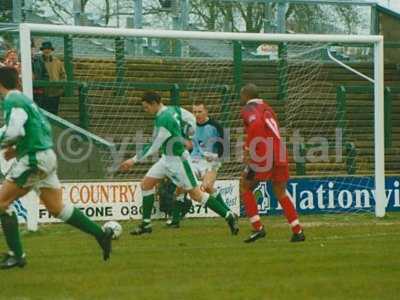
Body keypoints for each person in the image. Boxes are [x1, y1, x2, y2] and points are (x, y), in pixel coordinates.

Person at [0, 67, 113, 270]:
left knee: (1, 203)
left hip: (34, 159)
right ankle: (101, 234)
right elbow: (40, 130)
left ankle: (17, 255)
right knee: (56, 207)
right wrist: (16, 150)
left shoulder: (12, 101)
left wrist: (9, 144)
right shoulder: (26, 101)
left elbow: (14, 131)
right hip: (46, 156)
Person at [119, 91, 239, 236]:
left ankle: (228, 215)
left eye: (146, 107)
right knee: (146, 184)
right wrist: (189, 134)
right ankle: (146, 224)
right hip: (166, 158)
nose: (146, 110)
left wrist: (133, 160)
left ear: (155, 104)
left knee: (196, 195)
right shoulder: (173, 109)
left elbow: (154, 145)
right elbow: (190, 118)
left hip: (178, 161)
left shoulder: (165, 119)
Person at [240, 83, 305, 243]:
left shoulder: (249, 109)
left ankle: (257, 228)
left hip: (263, 154)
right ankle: (297, 231)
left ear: (245, 96)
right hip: (279, 153)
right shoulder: (268, 108)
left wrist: (248, 148)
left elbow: (255, 125)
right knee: (280, 191)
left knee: (244, 186)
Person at [166, 102, 231, 228]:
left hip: (211, 161)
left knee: (206, 187)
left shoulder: (216, 126)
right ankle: (175, 221)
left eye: (199, 111)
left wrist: (215, 156)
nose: (196, 115)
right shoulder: (189, 127)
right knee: (179, 188)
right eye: (194, 112)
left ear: (206, 111)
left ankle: (228, 213)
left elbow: (227, 149)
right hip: (193, 161)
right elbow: (185, 144)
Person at [37, 41, 66, 115]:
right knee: (42, 113)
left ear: (51, 50)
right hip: (42, 92)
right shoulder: (37, 61)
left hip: (55, 92)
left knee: (54, 113)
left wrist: (60, 88)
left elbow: (63, 75)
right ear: (42, 50)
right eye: (45, 49)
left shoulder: (57, 62)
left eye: (48, 49)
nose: (47, 50)